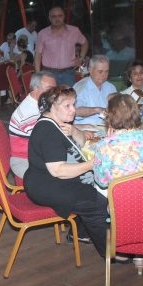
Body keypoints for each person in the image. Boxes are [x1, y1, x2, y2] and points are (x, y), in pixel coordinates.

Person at [23, 86, 109, 258]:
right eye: (67, 106)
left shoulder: (56, 122)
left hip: (44, 180)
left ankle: (79, 233)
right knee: (98, 203)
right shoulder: (48, 131)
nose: (73, 110)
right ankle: (109, 253)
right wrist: (90, 165)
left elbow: (82, 140)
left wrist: (74, 130)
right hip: (46, 186)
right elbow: (58, 171)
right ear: (52, 106)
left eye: (73, 105)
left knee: (96, 190)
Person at [93, 94, 143, 188]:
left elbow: (101, 181)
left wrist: (110, 140)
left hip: (123, 199)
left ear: (110, 117)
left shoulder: (104, 146)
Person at [8, 71, 57, 179]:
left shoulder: (40, 102)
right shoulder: (29, 113)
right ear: (35, 88)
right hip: (24, 161)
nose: (54, 93)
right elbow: (47, 141)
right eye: (49, 88)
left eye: (55, 88)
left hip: (36, 155)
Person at [34, 6, 89, 87]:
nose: (57, 19)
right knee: (50, 98)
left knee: (69, 98)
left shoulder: (74, 31)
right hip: (49, 73)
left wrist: (81, 58)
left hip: (68, 74)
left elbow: (85, 43)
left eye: (60, 16)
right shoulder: (42, 34)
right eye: (54, 16)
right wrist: (39, 76)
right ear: (49, 18)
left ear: (64, 16)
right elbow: (37, 56)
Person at [73, 54, 117, 125]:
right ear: (90, 70)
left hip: (107, 127)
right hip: (86, 130)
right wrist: (97, 110)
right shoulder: (81, 87)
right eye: (100, 71)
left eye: (106, 71)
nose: (104, 75)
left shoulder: (111, 87)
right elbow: (76, 111)